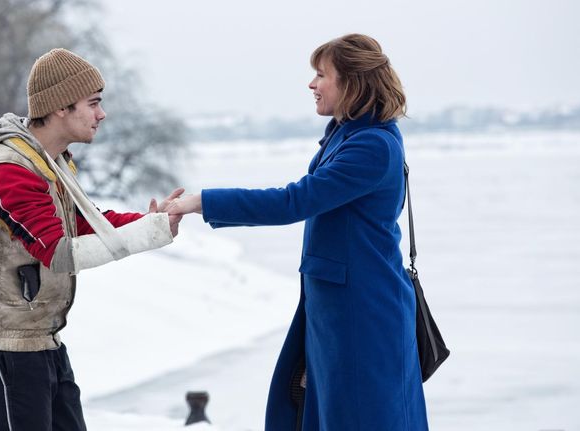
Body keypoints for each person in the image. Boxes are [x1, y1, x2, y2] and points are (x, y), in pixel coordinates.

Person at [168, 34, 428, 430]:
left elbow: (294, 201)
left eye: (321, 75)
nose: (312, 84)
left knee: (361, 417)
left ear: (352, 82)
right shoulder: (350, 135)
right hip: (339, 306)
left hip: (363, 312)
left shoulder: (370, 146)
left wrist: (201, 201)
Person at [0, 48, 182, 431]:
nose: (102, 114)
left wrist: (154, 220)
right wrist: (146, 233)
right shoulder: (9, 170)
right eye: (93, 103)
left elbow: (82, 221)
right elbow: (58, 253)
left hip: (42, 337)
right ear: (61, 107)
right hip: (8, 344)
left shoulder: (49, 162)